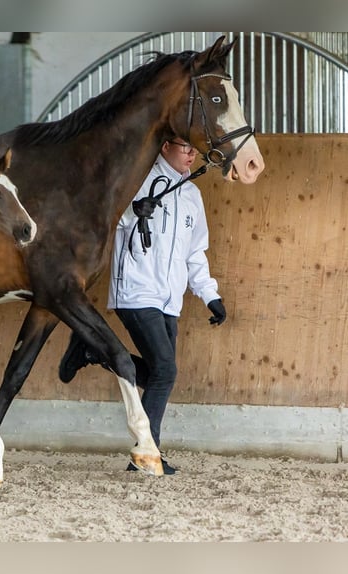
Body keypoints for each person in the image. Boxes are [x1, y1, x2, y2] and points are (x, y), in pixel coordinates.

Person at [58, 136, 226, 474]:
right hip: (134, 291)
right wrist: (131, 213)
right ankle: (148, 455)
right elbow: (104, 218)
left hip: (169, 300)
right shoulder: (136, 179)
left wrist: (210, 294)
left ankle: (93, 351)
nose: (191, 152)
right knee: (165, 371)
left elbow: (195, 253)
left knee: (156, 374)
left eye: (194, 147)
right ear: (165, 146)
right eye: (183, 145)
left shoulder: (192, 194)